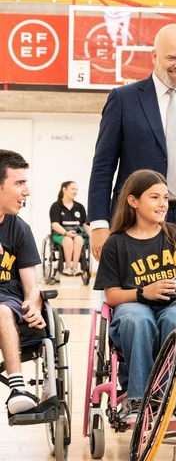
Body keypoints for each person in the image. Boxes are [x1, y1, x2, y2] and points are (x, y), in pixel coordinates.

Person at [88, 23, 176, 261]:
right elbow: (103, 167)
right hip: (139, 220)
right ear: (154, 56)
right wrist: (99, 224)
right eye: (172, 57)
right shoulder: (123, 100)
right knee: (140, 291)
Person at [93, 169, 176, 424]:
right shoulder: (116, 243)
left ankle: (171, 397)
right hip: (133, 304)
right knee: (137, 320)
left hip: (173, 304)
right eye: (154, 197)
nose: (162, 204)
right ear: (133, 201)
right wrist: (142, 292)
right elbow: (112, 296)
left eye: (165, 198)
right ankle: (137, 400)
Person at [0, 150, 46, 415]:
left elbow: (31, 288)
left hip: (7, 302)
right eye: (19, 183)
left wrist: (33, 306)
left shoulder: (20, 229)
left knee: (3, 309)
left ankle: (17, 387)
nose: (26, 191)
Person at [49, 180, 90, 276]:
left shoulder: (80, 207)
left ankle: (75, 268)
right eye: (73, 189)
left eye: (76, 189)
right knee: (68, 241)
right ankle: (67, 267)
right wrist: (66, 233)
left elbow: (85, 224)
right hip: (60, 234)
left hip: (77, 234)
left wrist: (93, 236)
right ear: (64, 189)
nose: (75, 191)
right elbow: (54, 224)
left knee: (79, 239)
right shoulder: (56, 206)